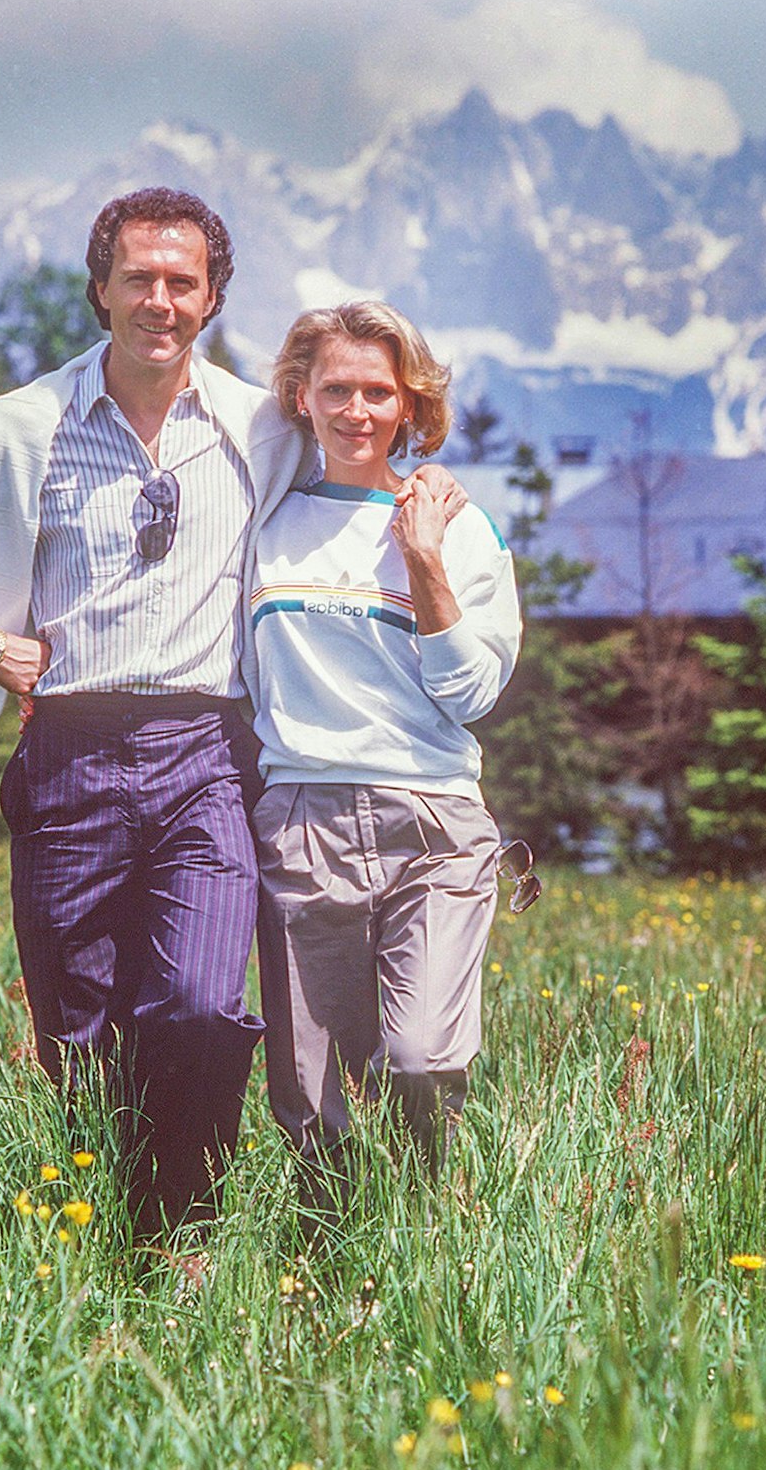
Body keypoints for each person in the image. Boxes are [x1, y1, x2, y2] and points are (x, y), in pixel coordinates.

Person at [0, 190, 458, 1242]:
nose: (159, 302)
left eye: (182, 282)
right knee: (79, 1034)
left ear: (212, 298)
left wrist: (424, 504)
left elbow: (357, 435)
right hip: (67, 750)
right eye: (139, 279)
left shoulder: (257, 426)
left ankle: (187, 1240)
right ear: (101, 291)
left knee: (204, 1008)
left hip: (208, 755)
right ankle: (119, 1230)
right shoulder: (29, 420)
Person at [247, 300, 522, 1204]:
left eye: (378, 391)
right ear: (299, 397)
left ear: (410, 406)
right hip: (300, 818)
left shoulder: (459, 530)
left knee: (421, 1057)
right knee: (310, 1092)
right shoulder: (262, 526)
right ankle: (334, 1259)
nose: (356, 410)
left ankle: (433, 1228)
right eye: (337, 389)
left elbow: (473, 693)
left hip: (433, 819)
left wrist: (425, 561)